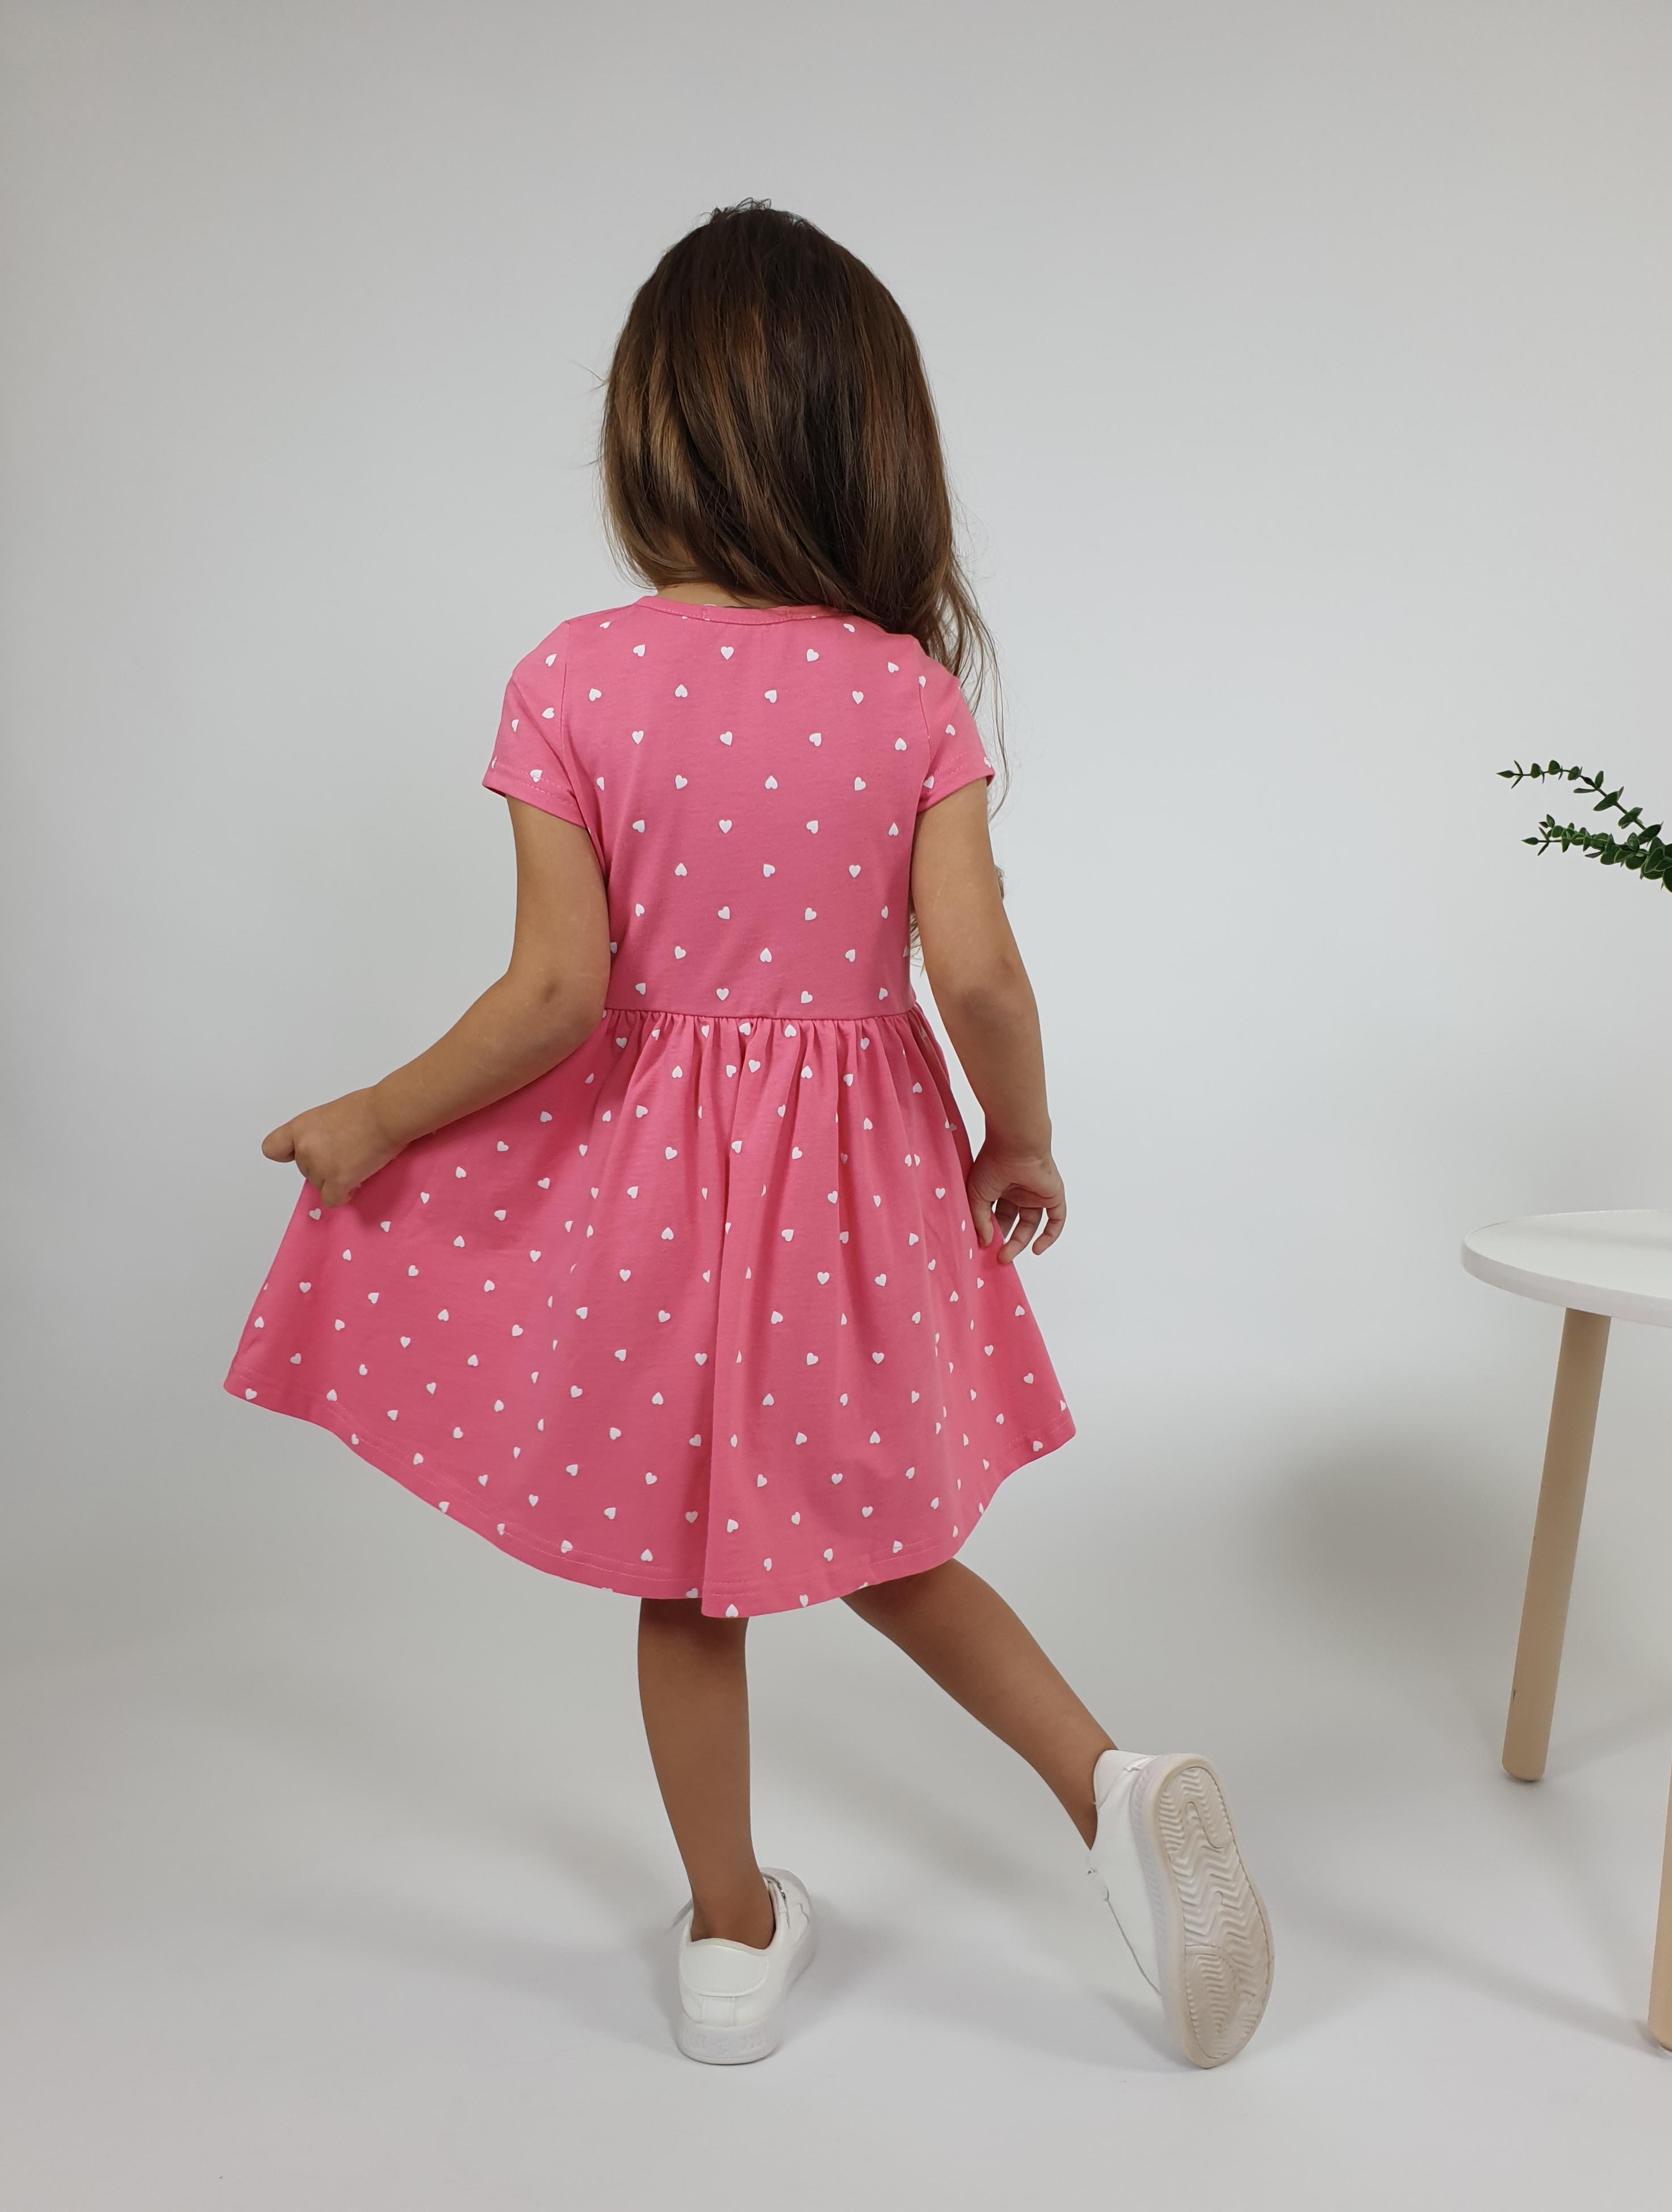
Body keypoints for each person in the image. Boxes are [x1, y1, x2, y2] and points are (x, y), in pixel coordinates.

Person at [224, 200, 1272, 2071]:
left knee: (685, 1569)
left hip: (654, 1198)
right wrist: (1019, 1141)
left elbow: (554, 997)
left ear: (652, 434)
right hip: (856, 1196)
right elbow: (982, 974)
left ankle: (728, 1938)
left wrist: (372, 1121)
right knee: (884, 1537)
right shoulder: (905, 691)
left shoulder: (574, 677)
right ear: (865, 444)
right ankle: (1105, 1784)